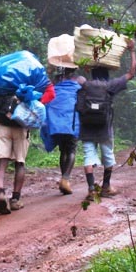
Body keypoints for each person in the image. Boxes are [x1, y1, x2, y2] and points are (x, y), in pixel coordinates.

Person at [79, 38, 136, 201]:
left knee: (88, 155)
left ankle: (91, 189)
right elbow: (131, 73)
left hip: (87, 127)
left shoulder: (85, 84)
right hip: (104, 127)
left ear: (91, 72)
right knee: (108, 156)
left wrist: (84, 65)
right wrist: (132, 50)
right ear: (107, 72)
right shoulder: (111, 85)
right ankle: (106, 186)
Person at [0, 83, 55, 214]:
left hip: (2, 128)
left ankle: (0, 193)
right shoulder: (26, 87)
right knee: (20, 162)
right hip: (21, 129)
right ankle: (15, 200)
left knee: (1, 162)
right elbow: (51, 93)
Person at [45, 66, 86, 195]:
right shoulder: (79, 80)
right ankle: (65, 178)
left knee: (63, 150)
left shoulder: (56, 80)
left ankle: (64, 179)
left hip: (57, 121)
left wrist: (49, 70)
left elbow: (46, 88)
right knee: (71, 150)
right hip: (71, 121)